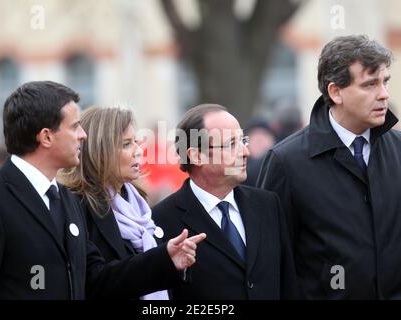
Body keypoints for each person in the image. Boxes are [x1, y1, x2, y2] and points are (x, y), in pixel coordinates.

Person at [0, 81, 205, 299]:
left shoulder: (64, 199)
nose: (83, 135)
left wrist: (164, 259)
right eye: (74, 127)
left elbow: (96, 280)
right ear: (46, 136)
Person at [257, 35, 401, 299]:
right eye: (370, 84)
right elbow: (271, 259)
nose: (384, 94)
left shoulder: (399, 149)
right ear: (335, 92)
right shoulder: (287, 162)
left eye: (385, 81)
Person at [152, 104, 298, 299]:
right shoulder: (162, 220)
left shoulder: (267, 205)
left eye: (243, 141)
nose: (246, 152)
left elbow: (288, 285)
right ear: (196, 155)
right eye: (231, 144)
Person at [59, 106, 201, 300]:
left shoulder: (138, 203)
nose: (139, 151)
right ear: (99, 151)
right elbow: (95, 281)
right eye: (126, 144)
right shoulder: (77, 206)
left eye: (136, 141)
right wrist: (162, 259)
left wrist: (174, 263)